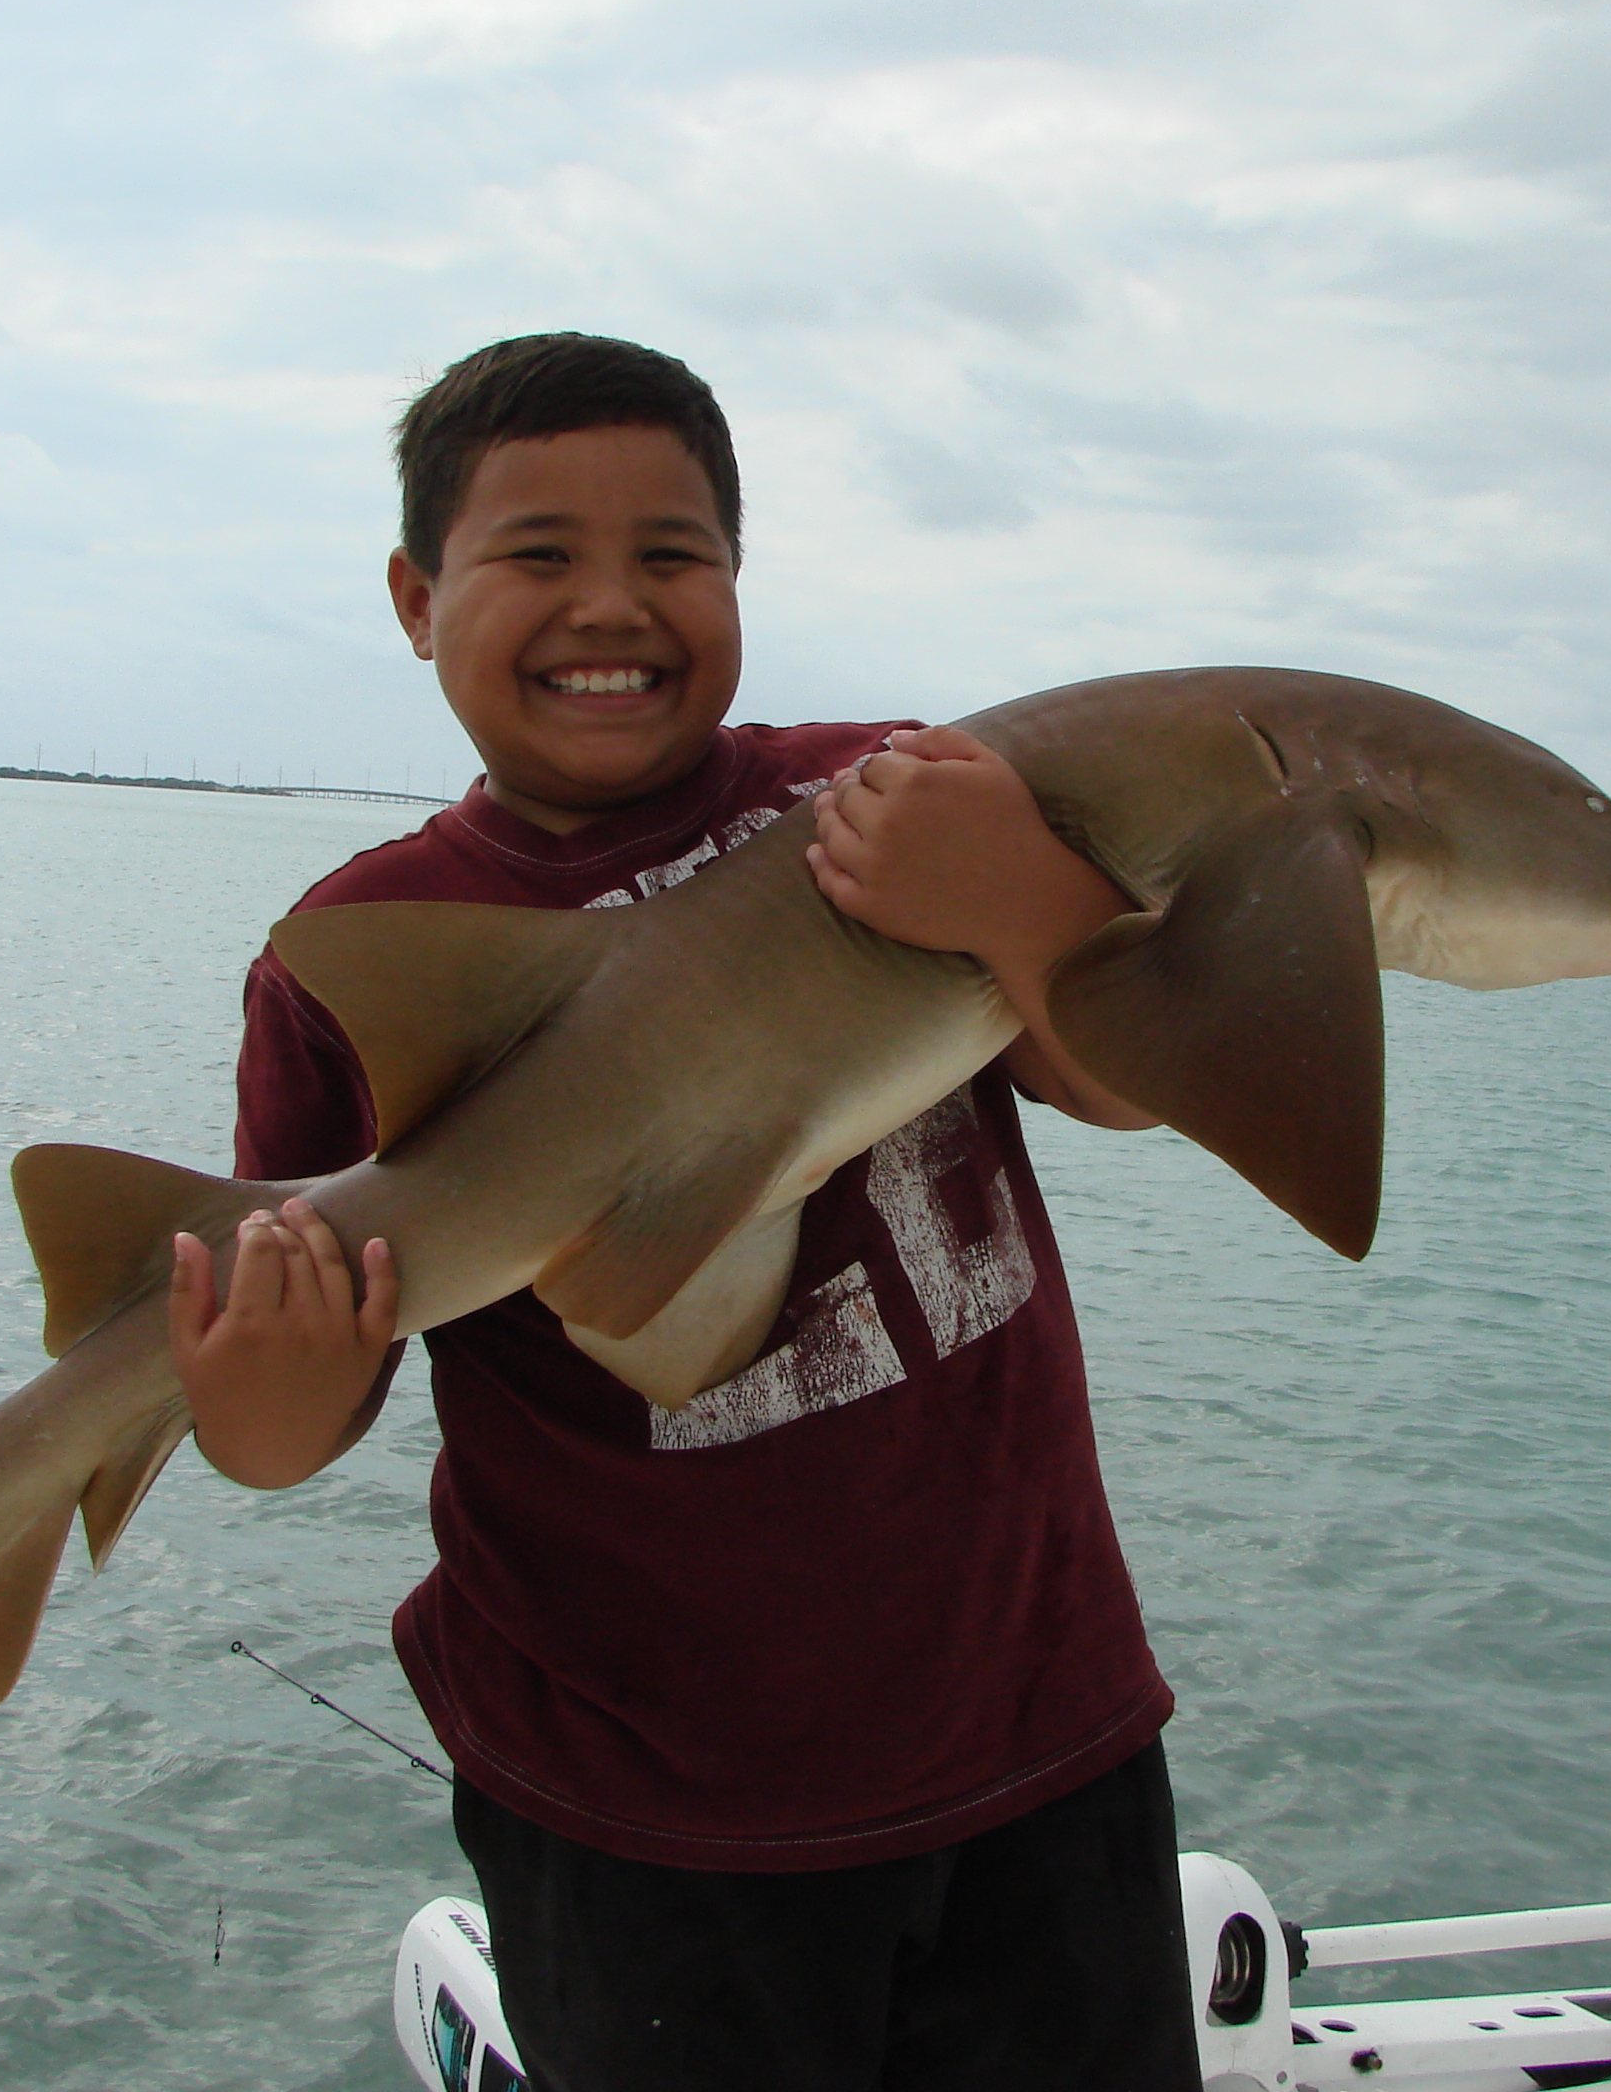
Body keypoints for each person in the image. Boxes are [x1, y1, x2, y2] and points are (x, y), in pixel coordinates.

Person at [164, 332, 1202, 2091]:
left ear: (737, 578)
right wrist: (251, 1379)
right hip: (647, 1818)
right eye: (537, 555)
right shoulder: (361, 953)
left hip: (1041, 1726)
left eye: (671, 554)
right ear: (418, 599)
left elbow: (1124, 1082)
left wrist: (1029, 902)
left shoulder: (885, 794)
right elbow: (287, 1435)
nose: (610, 606)